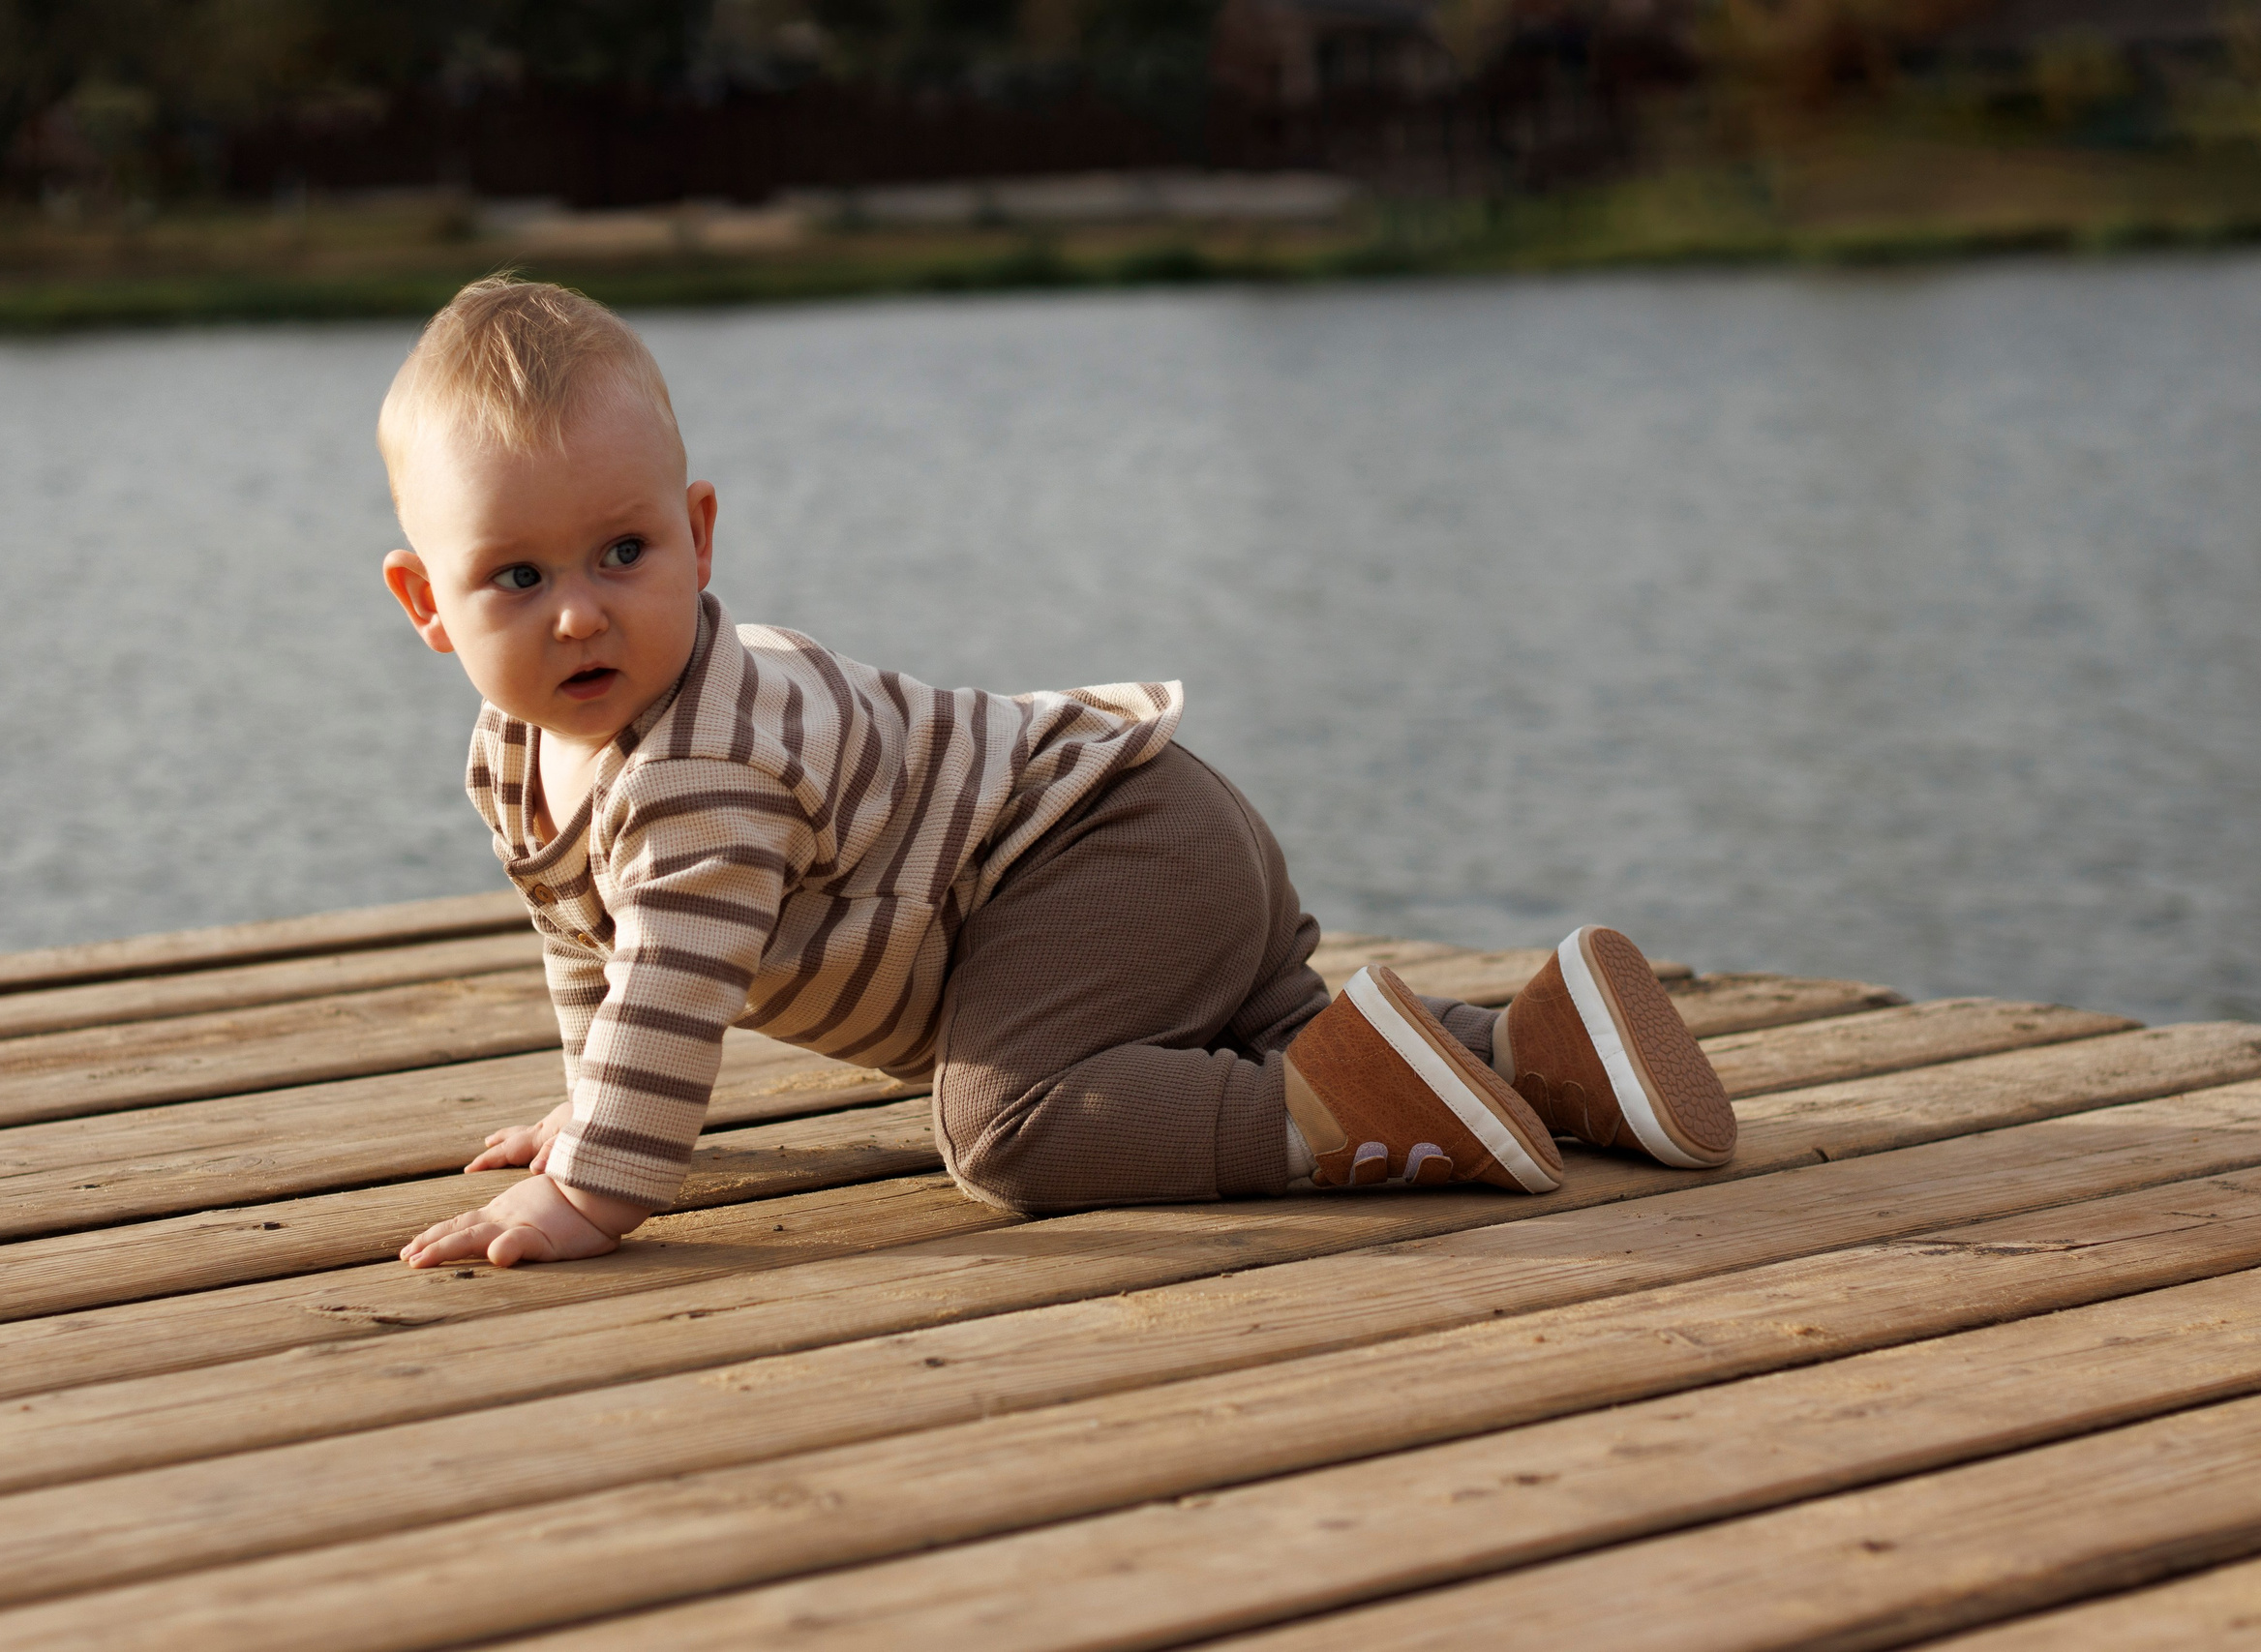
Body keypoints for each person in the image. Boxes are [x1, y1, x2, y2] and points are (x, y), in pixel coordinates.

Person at [380, 276, 1736, 1271]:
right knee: (1222, 1040)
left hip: (1102, 851)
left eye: (625, 552)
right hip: (1144, 844)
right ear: (426, 605)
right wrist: (586, 1104)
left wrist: (596, 1188)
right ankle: (1534, 1050)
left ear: (699, 532)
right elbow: (601, 955)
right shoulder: (520, 760)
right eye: (517, 576)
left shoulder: (702, 762)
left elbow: (675, 974)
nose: (580, 613)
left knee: (1008, 1125)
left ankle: (1340, 1122)